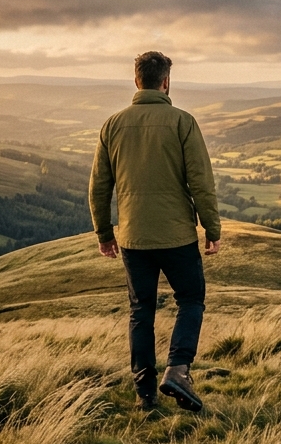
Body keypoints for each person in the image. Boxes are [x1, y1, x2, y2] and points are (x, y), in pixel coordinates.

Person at [89, 51, 221, 413]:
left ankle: (144, 394)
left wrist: (104, 233)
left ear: (136, 81)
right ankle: (178, 370)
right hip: (177, 234)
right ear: (166, 82)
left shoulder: (112, 125)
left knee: (141, 311)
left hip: (133, 238)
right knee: (191, 300)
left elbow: (99, 187)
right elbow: (201, 182)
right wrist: (212, 227)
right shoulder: (183, 122)